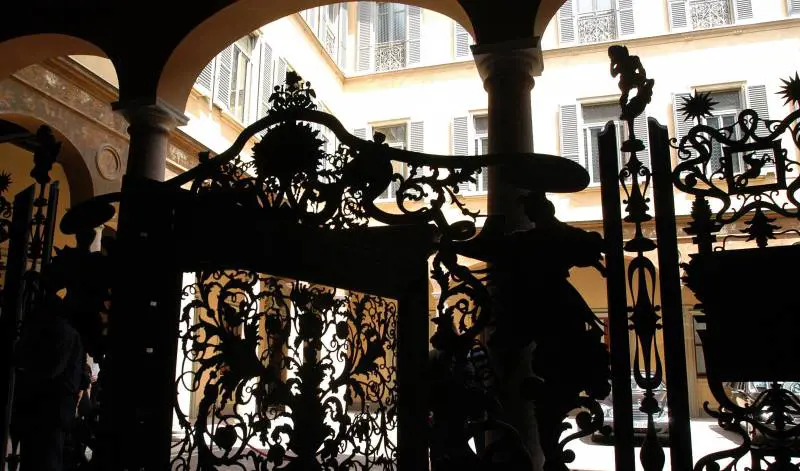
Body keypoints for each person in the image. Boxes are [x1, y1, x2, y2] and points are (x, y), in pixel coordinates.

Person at [13, 294, 84, 471]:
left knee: (43, 459)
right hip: (52, 409)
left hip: (49, 408)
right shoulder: (64, 332)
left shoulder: (59, 332)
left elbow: (50, 368)